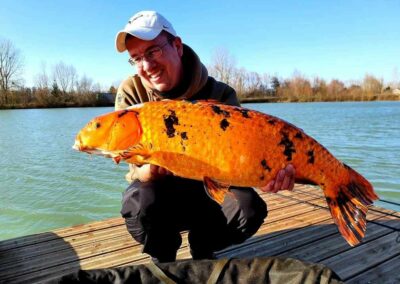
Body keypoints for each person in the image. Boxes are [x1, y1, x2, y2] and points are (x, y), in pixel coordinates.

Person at [114, 10, 296, 262]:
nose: (146, 65)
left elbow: (242, 157)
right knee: (139, 203)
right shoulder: (132, 93)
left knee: (249, 209)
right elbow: (126, 156)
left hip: (210, 188)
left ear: (177, 46)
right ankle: (163, 256)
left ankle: (203, 245)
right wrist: (143, 171)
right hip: (161, 190)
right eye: (136, 58)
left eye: (153, 51)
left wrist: (262, 174)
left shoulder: (220, 94)